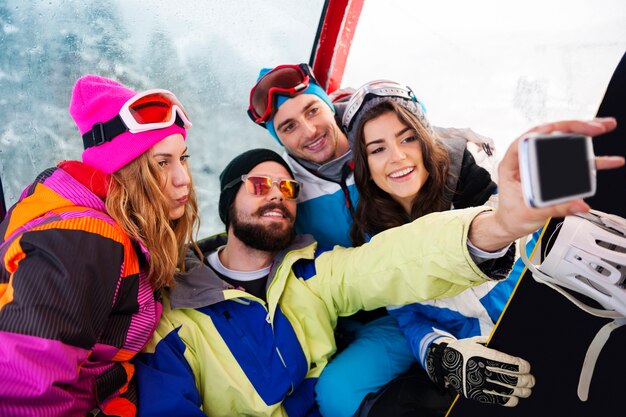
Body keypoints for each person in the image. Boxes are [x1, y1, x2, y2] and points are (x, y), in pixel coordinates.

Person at [133, 124, 622, 416]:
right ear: (228, 201)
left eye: (287, 190)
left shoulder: (312, 274)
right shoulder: (176, 311)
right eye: (260, 185)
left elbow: (392, 261)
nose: (276, 198)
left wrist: (494, 227)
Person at [246, 64, 515, 415]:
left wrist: (447, 140)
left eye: (312, 111)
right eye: (288, 127)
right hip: (375, 316)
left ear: (329, 106)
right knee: (337, 392)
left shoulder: (389, 154)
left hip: (426, 290)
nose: (309, 131)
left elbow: (405, 134)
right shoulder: (289, 192)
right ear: (278, 137)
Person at [336, 80, 542, 416]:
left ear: (425, 138)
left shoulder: (478, 184)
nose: (397, 157)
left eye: (407, 138)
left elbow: (534, 231)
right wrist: (441, 356)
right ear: (365, 165)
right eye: (378, 149)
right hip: (490, 361)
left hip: (548, 320)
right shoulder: (377, 242)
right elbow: (408, 316)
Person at [0, 75, 199, 417]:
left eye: (183, 158)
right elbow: (22, 390)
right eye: (162, 163)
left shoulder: (111, 228)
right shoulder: (84, 238)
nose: (184, 178)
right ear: (127, 171)